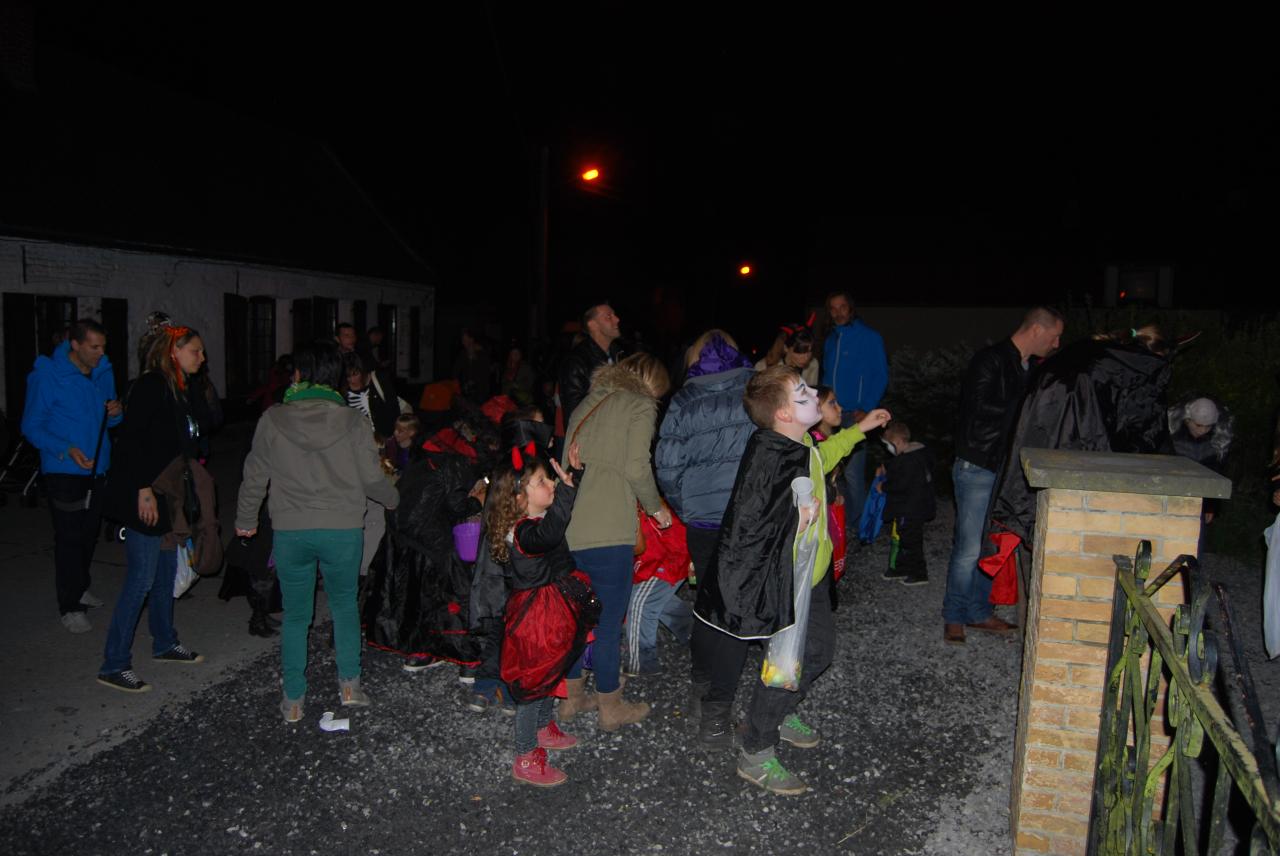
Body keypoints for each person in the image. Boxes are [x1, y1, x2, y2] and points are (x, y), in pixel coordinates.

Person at [692, 365, 891, 793]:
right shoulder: (771, 456)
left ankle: (772, 715)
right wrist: (793, 519)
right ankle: (756, 751)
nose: (814, 392)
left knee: (816, 654)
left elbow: (825, 456)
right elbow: (749, 521)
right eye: (803, 392)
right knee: (787, 665)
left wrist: (860, 429)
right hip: (786, 581)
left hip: (811, 576)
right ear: (783, 414)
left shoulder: (803, 447)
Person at [235, 342, 399, 722]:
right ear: (336, 379)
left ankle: (293, 699)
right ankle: (349, 686)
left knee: (296, 615)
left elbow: (255, 473)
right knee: (343, 607)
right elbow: (371, 478)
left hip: (292, 529)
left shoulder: (274, 418)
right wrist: (392, 498)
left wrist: (247, 519)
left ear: (297, 375)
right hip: (342, 529)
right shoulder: (353, 420)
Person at [941, 306, 1063, 645]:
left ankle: (978, 612)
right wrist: (1025, 407)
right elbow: (977, 409)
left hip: (1003, 469)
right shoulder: (991, 360)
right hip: (978, 464)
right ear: (1037, 330)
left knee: (990, 544)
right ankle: (954, 616)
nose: (1056, 343)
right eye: (1054, 336)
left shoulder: (1028, 367)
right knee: (968, 547)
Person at [96, 323, 208, 692]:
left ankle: (164, 642)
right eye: (196, 351)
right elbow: (130, 443)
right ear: (174, 351)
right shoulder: (151, 385)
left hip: (167, 493)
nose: (202, 358)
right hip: (145, 493)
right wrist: (143, 490)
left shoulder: (178, 387)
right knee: (141, 579)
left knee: (163, 575)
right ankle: (113, 664)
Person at [563, 353, 671, 730]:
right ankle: (610, 706)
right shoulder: (640, 405)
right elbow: (637, 466)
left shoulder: (585, 404)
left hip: (572, 530)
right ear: (653, 385)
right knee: (608, 622)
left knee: (575, 619)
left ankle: (572, 698)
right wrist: (656, 508)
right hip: (610, 530)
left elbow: (567, 465)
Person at [654, 329, 756, 712]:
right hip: (746, 518)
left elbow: (666, 465)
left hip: (702, 520)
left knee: (708, 599)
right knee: (737, 603)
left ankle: (701, 678)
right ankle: (718, 704)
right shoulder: (752, 389)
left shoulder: (684, 398)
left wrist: (687, 506)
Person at [487, 444, 590, 786]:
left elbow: (555, 520)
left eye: (549, 479)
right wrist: (567, 489)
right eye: (541, 481)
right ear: (518, 498)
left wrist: (571, 476)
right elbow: (552, 531)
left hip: (554, 610)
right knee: (533, 684)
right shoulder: (525, 533)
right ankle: (525, 755)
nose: (550, 485)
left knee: (550, 671)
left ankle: (544, 727)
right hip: (537, 618)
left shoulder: (536, 521)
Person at [21, 319, 122, 633]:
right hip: (64, 471)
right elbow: (31, 426)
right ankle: (70, 606)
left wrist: (118, 413)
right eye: (94, 347)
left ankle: (80, 586)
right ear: (75, 345)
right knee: (68, 538)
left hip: (98, 468)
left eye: (103, 346)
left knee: (89, 534)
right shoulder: (48, 376)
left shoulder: (102, 371)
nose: (101, 353)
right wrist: (65, 449)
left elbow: (112, 420)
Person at [821, 292, 889, 544]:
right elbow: (827, 378)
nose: (838, 312)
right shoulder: (831, 340)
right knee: (829, 470)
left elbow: (880, 374)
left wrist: (867, 407)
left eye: (842, 307)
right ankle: (836, 520)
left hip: (854, 414)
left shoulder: (869, 337)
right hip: (830, 415)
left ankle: (859, 527)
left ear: (851, 309)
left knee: (852, 472)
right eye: (833, 308)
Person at [624, 501, 692, 678]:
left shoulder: (638, 500)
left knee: (641, 603)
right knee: (656, 598)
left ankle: (641, 664)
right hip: (668, 552)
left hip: (665, 556)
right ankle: (697, 633)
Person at [878, 421, 937, 586]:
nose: (888, 449)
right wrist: (886, 467)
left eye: (888, 445)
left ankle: (919, 573)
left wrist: (884, 486)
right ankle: (902, 567)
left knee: (911, 541)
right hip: (913, 507)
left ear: (896, 442)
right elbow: (899, 465)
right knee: (904, 538)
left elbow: (901, 484)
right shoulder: (917, 453)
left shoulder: (908, 461)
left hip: (911, 509)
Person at [557, 301, 623, 428]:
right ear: (593, 325)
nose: (617, 319)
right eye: (609, 316)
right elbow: (574, 417)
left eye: (615, 315)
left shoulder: (621, 355)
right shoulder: (577, 362)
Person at [342, 351, 400, 437]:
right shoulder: (342, 390)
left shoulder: (379, 380)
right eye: (348, 376)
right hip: (357, 440)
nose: (352, 380)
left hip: (383, 438)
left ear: (362, 371)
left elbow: (393, 408)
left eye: (355, 374)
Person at [455, 329, 493, 404]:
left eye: (465, 339)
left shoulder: (483, 354)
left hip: (481, 393)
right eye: (462, 340)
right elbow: (456, 371)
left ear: (471, 339)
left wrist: (474, 359)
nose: (463, 342)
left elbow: (485, 373)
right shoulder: (462, 354)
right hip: (466, 392)